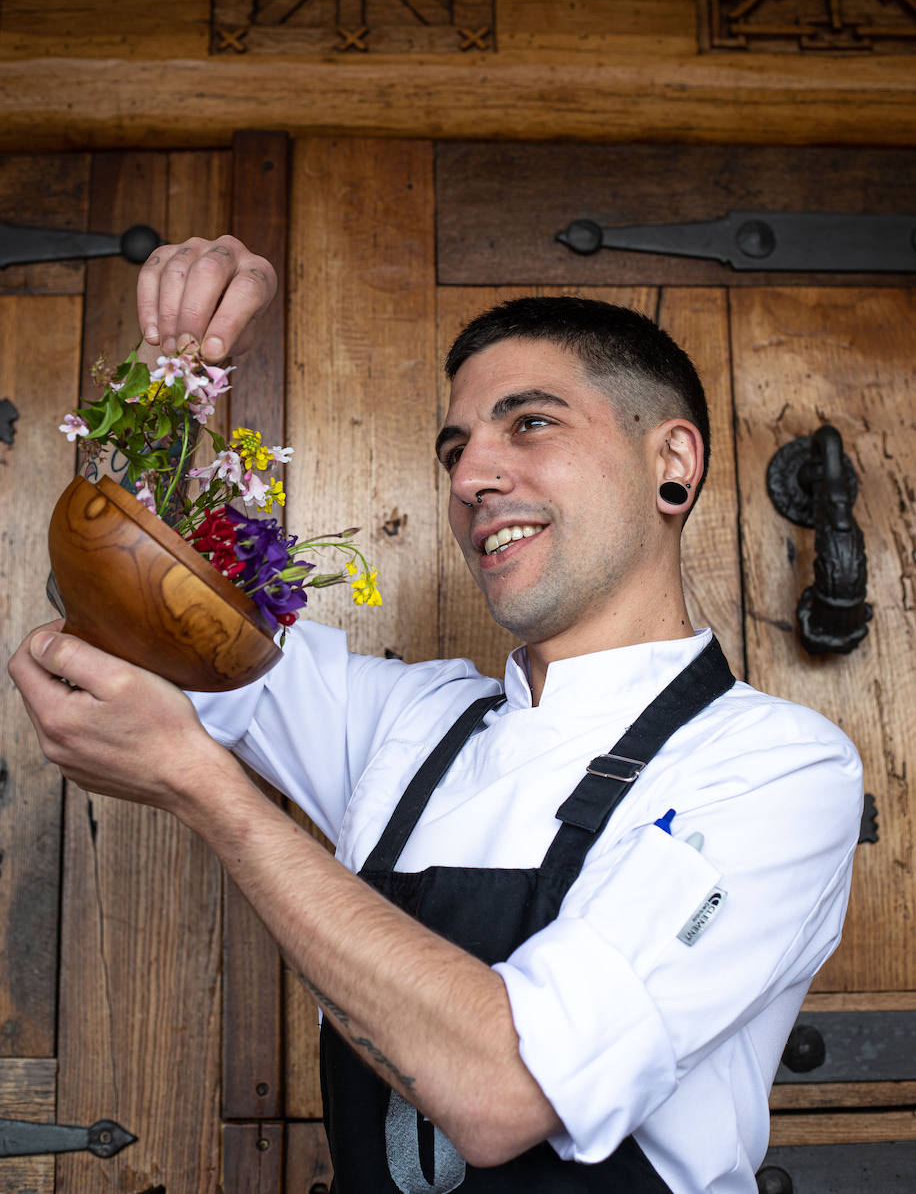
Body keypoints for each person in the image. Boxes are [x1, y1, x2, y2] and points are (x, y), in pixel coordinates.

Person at [10, 236, 863, 1193]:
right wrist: (176, 373)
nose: (468, 479)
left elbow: (505, 1089)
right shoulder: (406, 726)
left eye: (530, 424)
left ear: (672, 462)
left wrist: (210, 794)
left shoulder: (775, 768)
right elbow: (140, 610)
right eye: (454, 451)